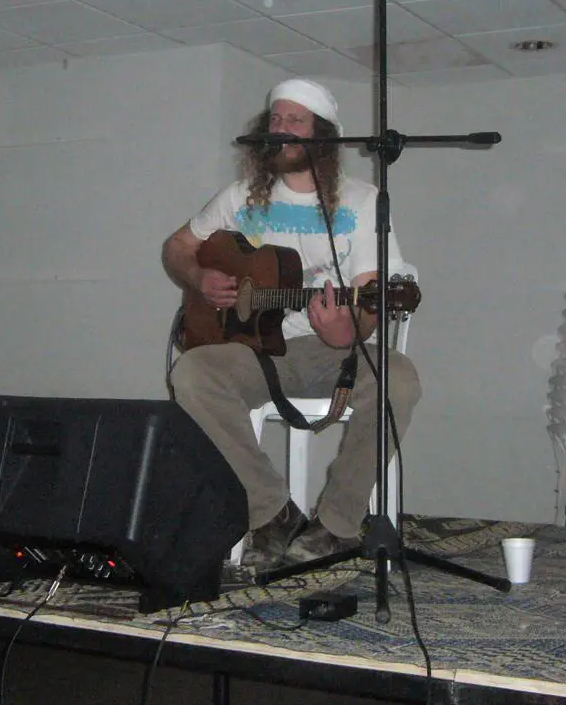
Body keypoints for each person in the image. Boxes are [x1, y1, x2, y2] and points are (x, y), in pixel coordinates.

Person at [163, 77, 422, 569]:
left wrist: (347, 331)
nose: (281, 128)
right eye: (276, 119)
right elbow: (177, 247)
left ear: (322, 135)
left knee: (400, 380)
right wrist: (199, 277)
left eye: (295, 120)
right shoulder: (240, 198)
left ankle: (336, 524)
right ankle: (272, 513)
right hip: (256, 353)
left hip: (330, 352)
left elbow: (369, 303)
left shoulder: (361, 201)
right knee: (191, 374)